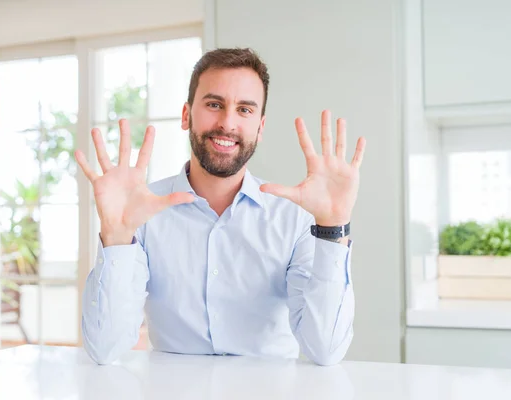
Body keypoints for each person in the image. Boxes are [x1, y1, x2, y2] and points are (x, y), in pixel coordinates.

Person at [74, 48, 366, 366]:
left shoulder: (294, 219)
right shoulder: (143, 212)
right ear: (186, 115)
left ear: (260, 126)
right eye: (214, 104)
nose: (227, 123)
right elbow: (104, 348)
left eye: (244, 109)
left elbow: (325, 350)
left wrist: (333, 227)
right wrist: (117, 239)